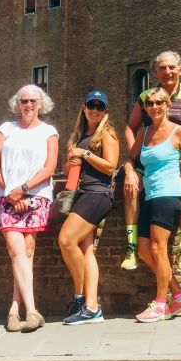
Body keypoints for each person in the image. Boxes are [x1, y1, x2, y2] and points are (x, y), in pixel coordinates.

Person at [121, 51, 181, 273]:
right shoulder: (145, 97)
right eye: (162, 68)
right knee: (130, 187)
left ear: (180, 69)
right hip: (150, 157)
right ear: (155, 71)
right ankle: (131, 246)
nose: (167, 72)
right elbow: (130, 127)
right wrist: (136, 154)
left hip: (179, 159)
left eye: (171, 67)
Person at [0, 84, 59, 333]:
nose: (29, 105)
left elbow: (50, 168)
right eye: (24, 101)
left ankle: (13, 309)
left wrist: (23, 188)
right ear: (17, 104)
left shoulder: (49, 131)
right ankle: (31, 311)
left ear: (41, 104)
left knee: (27, 251)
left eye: (33, 101)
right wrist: (10, 192)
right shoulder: (5, 129)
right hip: (7, 196)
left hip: (36, 195)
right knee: (15, 248)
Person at [132, 86, 181, 323]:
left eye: (159, 103)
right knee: (143, 250)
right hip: (149, 195)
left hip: (168, 193)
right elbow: (131, 160)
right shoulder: (143, 133)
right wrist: (130, 172)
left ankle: (161, 304)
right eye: (150, 103)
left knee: (157, 248)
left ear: (167, 105)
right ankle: (180, 295)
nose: (154, 107)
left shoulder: (179, 132)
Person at [57, 90, 120, 325]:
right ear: (83, 107)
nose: (94, 110)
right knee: (85, 249)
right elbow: (68, 169)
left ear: (105, 111)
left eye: (99, 106)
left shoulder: (107, 134)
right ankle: (90, 306)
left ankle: (82, 297)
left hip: (98, 194)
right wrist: (70, 162)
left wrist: (84, 154)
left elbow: (110, 166)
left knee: (66, 240)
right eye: (90, 105)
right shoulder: (78, 134)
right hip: (81, 194)